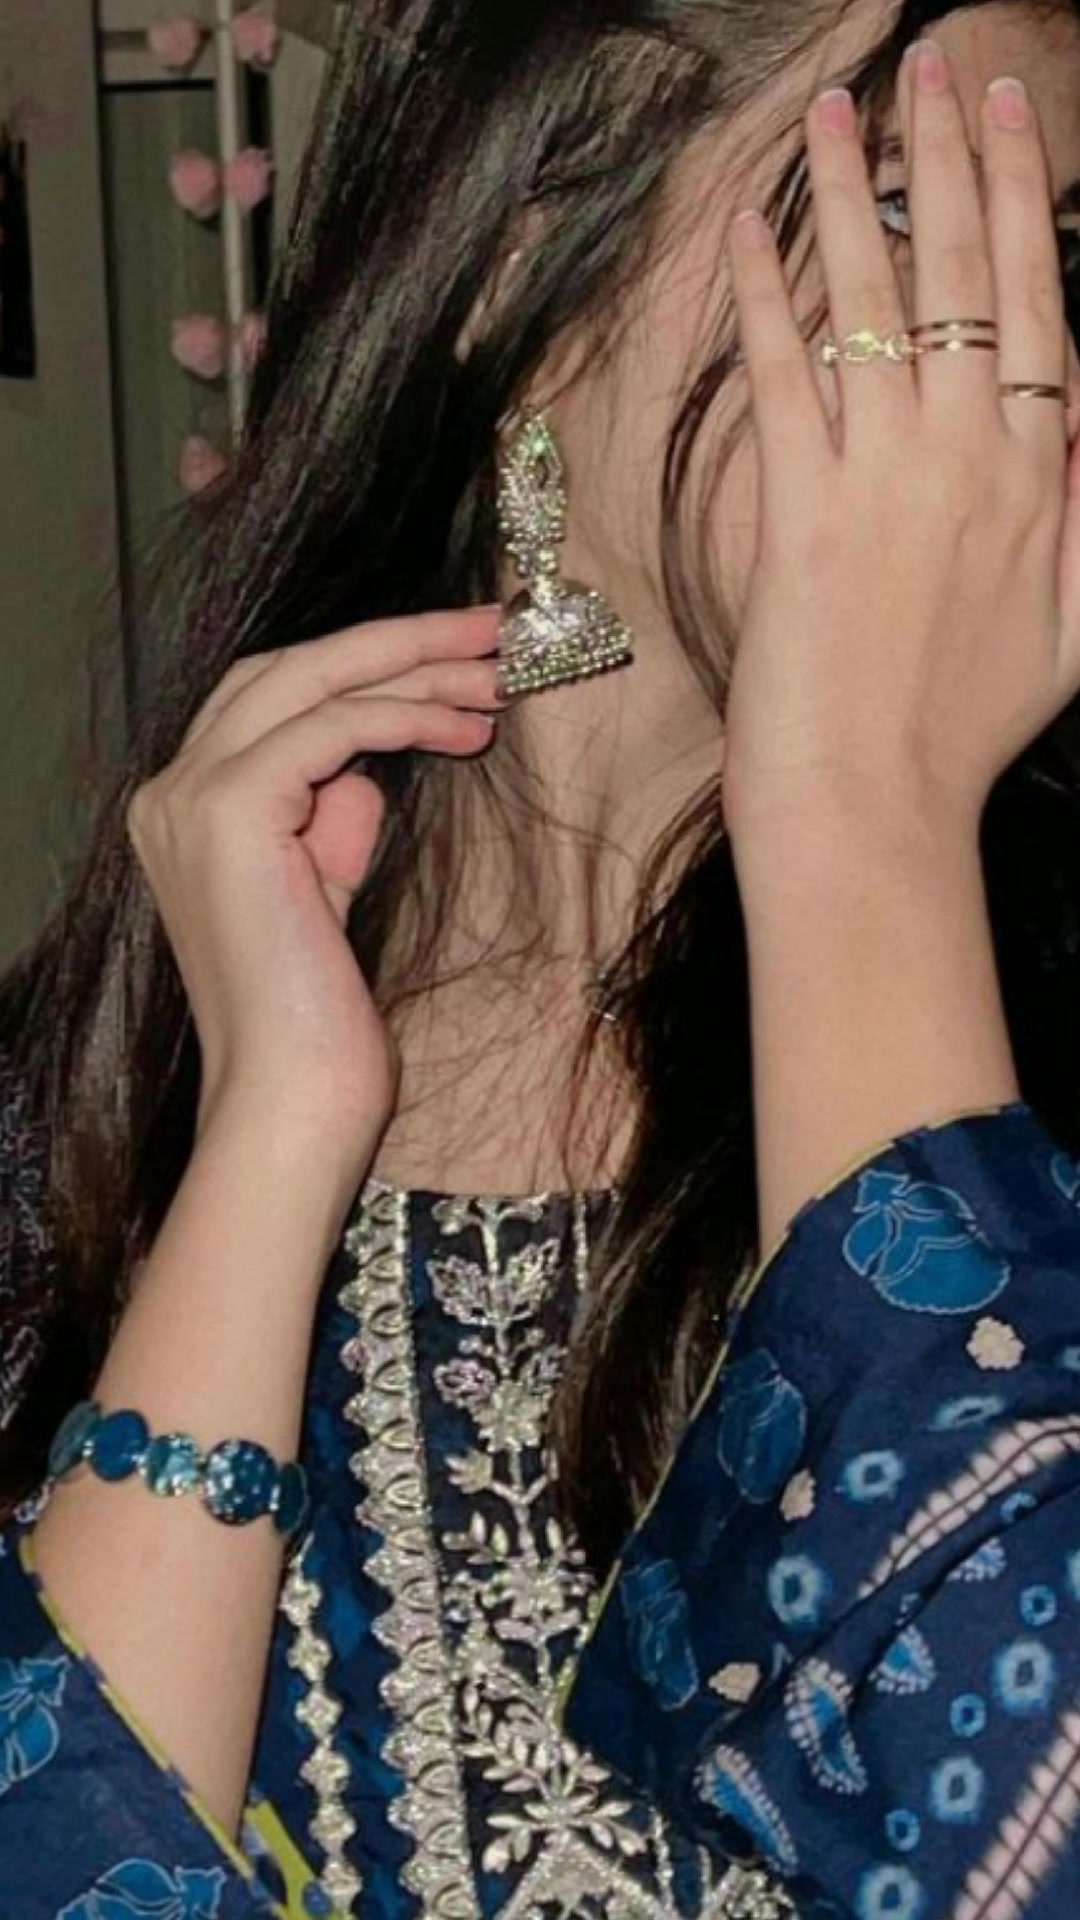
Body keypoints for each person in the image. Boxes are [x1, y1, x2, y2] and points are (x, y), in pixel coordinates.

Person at [4, 1, 1080, 1915]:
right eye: (913, 209)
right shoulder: (87, 1087)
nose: (1024, 352)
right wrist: (267, 1142)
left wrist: (867, 817)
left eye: (1061, 244)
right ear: (529, 249)